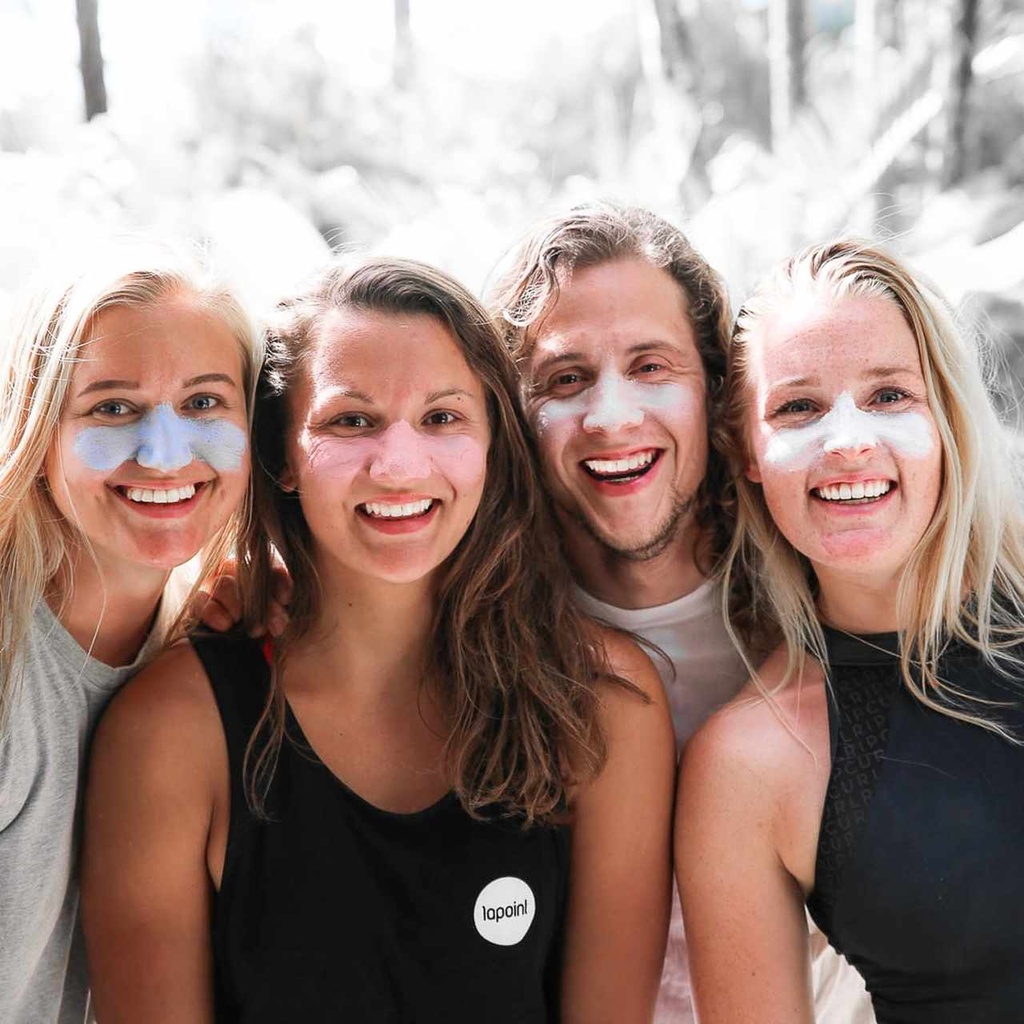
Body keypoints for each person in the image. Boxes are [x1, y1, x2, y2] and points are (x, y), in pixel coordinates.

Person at [81, 256, 675, 1023]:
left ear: (493, 444)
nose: (399, 465)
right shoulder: (170, 731)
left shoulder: (601, 704)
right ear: (282, 455)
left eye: (442, 418)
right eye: (351, 421)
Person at [490, 202, 874, 1023]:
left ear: (716, 393)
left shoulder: (825, 603)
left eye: (651, 366)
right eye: (565, 379)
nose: (612, 416)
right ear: (515, 420)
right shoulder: (479, 637)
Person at [677, 239, 1024, 1023]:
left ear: (947, 417)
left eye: (889, 395)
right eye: (798, 407)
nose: (848, 442)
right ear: (747, 452)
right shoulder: (750, 764)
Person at [0, 244, 259, 1024]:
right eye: (113, 408)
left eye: (205, 402)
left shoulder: (208, 635)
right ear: (39, 429)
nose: (165, 454)